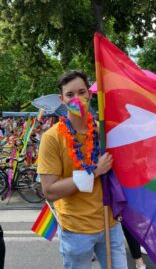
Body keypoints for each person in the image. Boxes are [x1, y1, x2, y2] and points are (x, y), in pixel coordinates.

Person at [37, 71, 128, 269]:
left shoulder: (102, 132)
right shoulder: (51, 138)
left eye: (81, 92)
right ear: (62, 99)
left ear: (90, 95)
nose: (77, 99)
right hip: (75, 230)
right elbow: (50, 191)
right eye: (70, 95)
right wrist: (94, 172)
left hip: (109, 223)